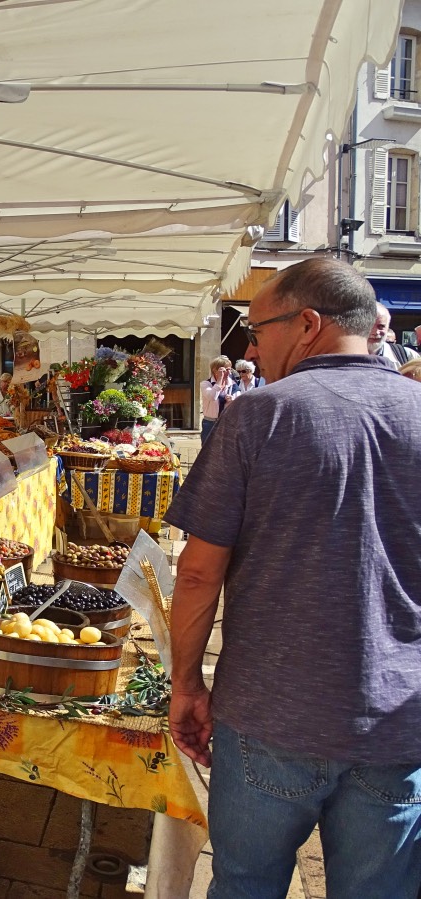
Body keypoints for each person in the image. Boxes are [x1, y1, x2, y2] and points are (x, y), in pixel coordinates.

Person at [164, 257, 421, 899]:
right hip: (395, 720)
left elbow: (197, 573)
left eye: (257, 331)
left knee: (245, 884)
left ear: (308, 324)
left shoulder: (259, 415)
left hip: (272, 714)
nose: (251, 349)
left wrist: (186, 684)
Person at [368, 302, 420, 370]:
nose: (375, 332)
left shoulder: (409, 356)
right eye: (370, 325)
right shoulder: (352, 354)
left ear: (388, 327)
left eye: (381, 326)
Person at [198, 355, 237, 442]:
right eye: (225, 370)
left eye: (230, 369)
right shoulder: (206, 384)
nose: (228, 372)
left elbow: (239, 403)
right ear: (215, 370)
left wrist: (233, 400)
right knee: (207, 448)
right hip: (210, 423)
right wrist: (220, 380)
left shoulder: (233, 385)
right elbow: (212, 397)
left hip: (227, 423)